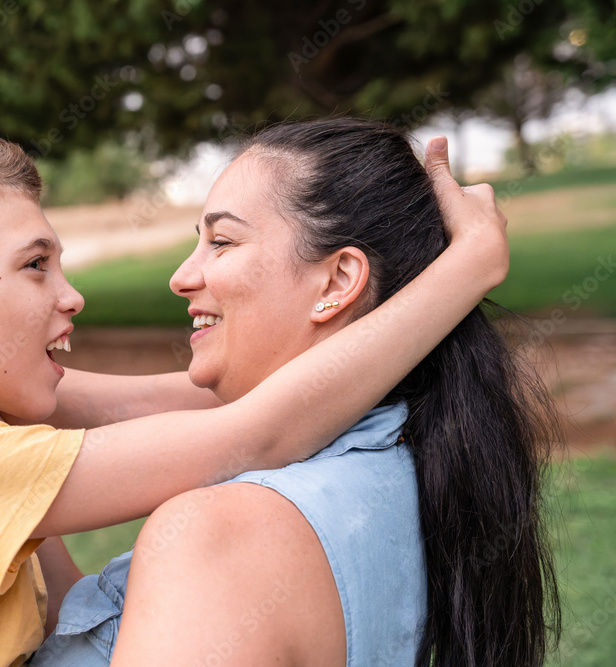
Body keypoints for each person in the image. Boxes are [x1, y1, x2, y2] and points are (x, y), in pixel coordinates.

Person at [0, 127, 508, 666]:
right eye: (35, 265)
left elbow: (184, 404)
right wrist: (465, 268)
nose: (73, 297)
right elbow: (255, 431)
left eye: (223, 240)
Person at [33, 119, 560, 667]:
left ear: (335, 283)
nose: (182, 276)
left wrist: (472, 264)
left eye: (221, 241)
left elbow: (253, 430)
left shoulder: (219, 539)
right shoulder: (405, 456)